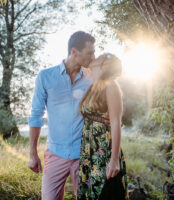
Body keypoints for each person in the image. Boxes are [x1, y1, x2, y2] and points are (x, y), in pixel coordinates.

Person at [28, 31, 95, 200]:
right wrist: (32, 153)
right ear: (74, 52)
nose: (93, 57)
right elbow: (36, 115)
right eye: (89, 53)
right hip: (55, 153)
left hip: (84, 154)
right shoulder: (46, 77)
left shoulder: (93, 78)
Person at [77, 53, 129, 200]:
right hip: (89, 149)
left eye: (103, 56)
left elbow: (115, 123)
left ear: (106, 65)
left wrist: (114, 160)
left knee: (105, 192)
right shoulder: (94, 84)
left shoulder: (111, 85)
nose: (96, 56)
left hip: (103, 149)